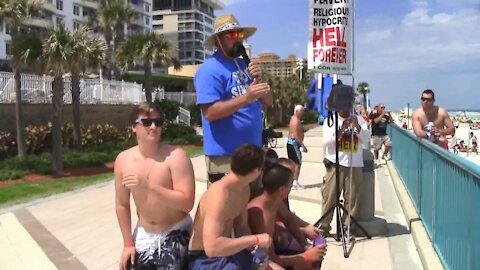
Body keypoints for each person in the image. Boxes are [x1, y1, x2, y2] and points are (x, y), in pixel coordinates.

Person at [114, 102, 196, 270]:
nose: (153, 127)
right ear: (133, 127)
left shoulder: (176, 157)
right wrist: (128, 244)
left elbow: (187, 203)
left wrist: (149, 186)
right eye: (147, 122)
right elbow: (121, 204)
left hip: (175, 232)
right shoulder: (123, 160)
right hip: (144, 234)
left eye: (158, 122)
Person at [194, 13, 272, 184]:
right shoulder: (209, 70)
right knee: (228, 208)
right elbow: (210, 113)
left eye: (239, 34)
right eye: (231, 35)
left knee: (252, 207)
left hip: (252, 153)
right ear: (217, 41)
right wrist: (246, 98)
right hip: (225, 158)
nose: (237, 39)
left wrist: (260, 80)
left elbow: (267, 102)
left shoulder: (244, 64)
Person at [188, 144, 272, 269]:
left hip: (228, 252)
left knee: (270, 267)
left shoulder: (244, 189)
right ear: (255, 171)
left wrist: (255, 251)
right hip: (204, 258)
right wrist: (255, 239)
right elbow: (211, 248)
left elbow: (242, 228)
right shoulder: (219, 196)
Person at [248, 158, 327, 269]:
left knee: (314, 257)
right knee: (306, 262)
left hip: (273, 250)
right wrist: (305, 256)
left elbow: (289, 219)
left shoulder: (274, 199)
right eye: (290, 184)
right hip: (261, 260)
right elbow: (270, 258)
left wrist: (306, 246)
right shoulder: (261, 214)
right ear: (282, 189)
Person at [320, 105, 370, 236]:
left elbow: (366, 139)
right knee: (329, 197)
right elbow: (328, 142)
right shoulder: (330, 121)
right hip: (336, 164)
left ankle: (347, 227)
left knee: (352, 198)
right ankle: (323, 227)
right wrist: (342, 128)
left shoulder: (359, 120)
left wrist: (357, 126)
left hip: (355, 165)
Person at [287, 104, 308, 189]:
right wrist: (303, 146)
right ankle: (295, 182)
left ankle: (292, 181)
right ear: (297, 111)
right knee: (297, 163)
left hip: (290, 143)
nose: (303, 113)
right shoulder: (296, 121)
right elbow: (295, 135)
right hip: (294, 143)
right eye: (301, 111)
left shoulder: (293, 119)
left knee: (292, 163)